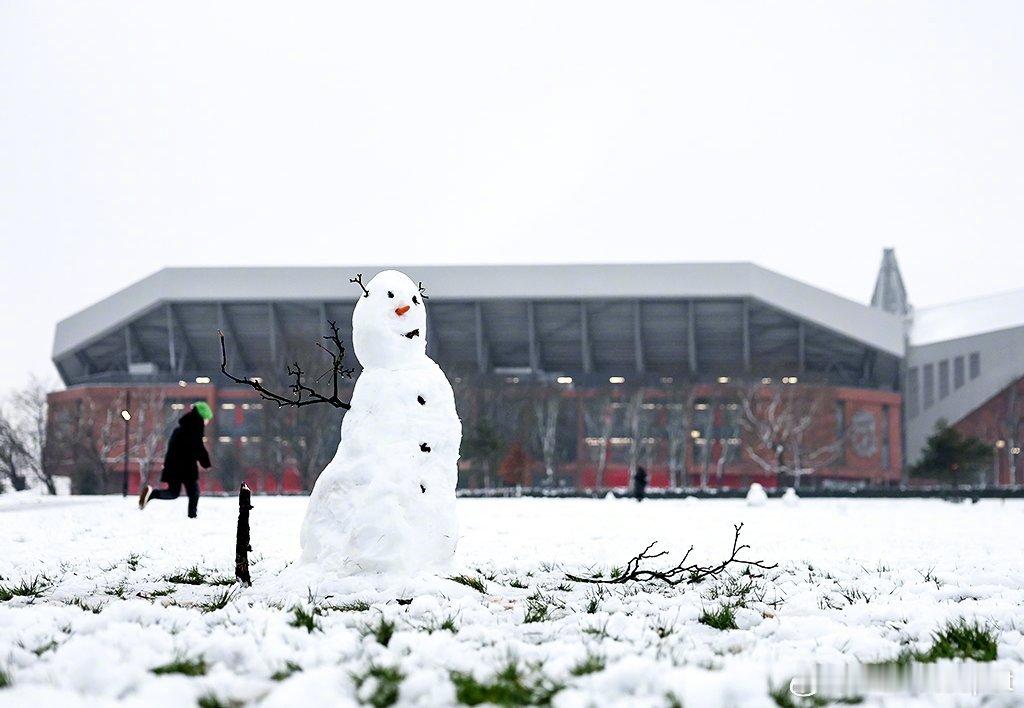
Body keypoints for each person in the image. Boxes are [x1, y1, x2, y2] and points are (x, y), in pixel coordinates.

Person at [138, 401, 212, 518]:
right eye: (207, 419)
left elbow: (172, 448)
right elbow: (199, 448)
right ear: (202, 416)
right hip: (187, 467)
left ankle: (151, 494)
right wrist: (206, 463)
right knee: (194, 492)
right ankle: (192, 516)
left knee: (173, 493)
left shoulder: (180, 428)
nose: (207, 422)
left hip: (173, 466)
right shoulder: (195, 428)